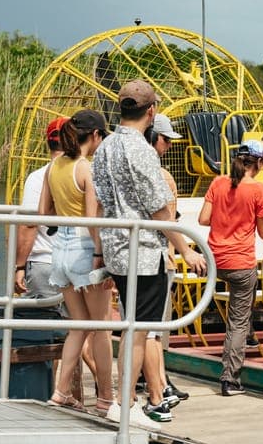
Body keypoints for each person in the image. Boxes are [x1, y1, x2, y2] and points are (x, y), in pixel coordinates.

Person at [91, 79, 206, 426]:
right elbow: (159, 210)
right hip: (143, 253)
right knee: (139, 330)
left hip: (116, 248)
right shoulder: (140, 150)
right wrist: (186, 249)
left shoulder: (105, 146)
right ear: (151, 111)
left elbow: (100, 201)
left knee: (131, 326)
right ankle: (126, 404)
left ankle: (122, 401)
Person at [198, 139, 263, 396]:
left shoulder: (218, 182)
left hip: (215, 260)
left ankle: (250, 336)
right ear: (259, 163)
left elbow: (204, 219)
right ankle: (230, 379)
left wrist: (225, 219)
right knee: (237, 322)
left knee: (240, 313)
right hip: (241, 262)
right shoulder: (258, 190)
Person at [38, 109, 114, 415]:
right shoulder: (86, 168)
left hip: (60, 251)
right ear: (94, 135)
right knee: (102, 327)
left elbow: (44, 214)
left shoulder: (54, 166)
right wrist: (100, 255)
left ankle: (61, 391)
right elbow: (93, 220)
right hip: (86, 247)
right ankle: (107, 398)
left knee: (78, 326)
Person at [143, 114, 189, 405]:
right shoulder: (162, 177)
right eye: (166, 140)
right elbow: (167, 220)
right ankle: (159, 386)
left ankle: (156, 381)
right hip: (160, 259)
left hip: (142, 258)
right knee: (154, 331)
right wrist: (185, 251)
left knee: (146, 329)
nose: (169, 146)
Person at [14, 116, 67, 301]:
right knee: (81, 326)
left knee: (41, 324)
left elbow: (29, 225)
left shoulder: (37, 177)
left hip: (45, 262)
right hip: (79, 263)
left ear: (48, 142)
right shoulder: (86, 174)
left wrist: (19, 266)